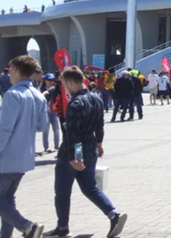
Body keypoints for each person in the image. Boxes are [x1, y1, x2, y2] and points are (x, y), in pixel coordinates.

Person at [43, 66, 126, 238]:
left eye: (65, 84)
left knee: (62, 192)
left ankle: (63, 227)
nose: (64, 88)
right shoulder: (96, 99)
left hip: (72, 153)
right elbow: (100, 125)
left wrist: (75, 157)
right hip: (91, 148)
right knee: (90, 187)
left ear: (71, 82)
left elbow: (73, 134)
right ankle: (113, 214)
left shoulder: (75, 103)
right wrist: (99, 143)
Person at [0, 56, 47, 238]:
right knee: (7, 200)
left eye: (11, 69)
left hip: (7, 157)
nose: (9, 72)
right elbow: (42, 127)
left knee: (4, 200)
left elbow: (4, 129)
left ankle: (27, 226)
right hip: (25, 157)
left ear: (17, 70)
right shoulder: (37, 95)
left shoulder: (13, 94)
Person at [40, 74, 61, 153]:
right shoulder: (41, 89)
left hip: (53, 111)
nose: (50, 82)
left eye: (52, 80)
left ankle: (57, 145)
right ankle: (46, 147)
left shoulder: (55, 88)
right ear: (45, 80)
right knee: (46, 129)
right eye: (49, 80)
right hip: (45, 111)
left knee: (56, 129)